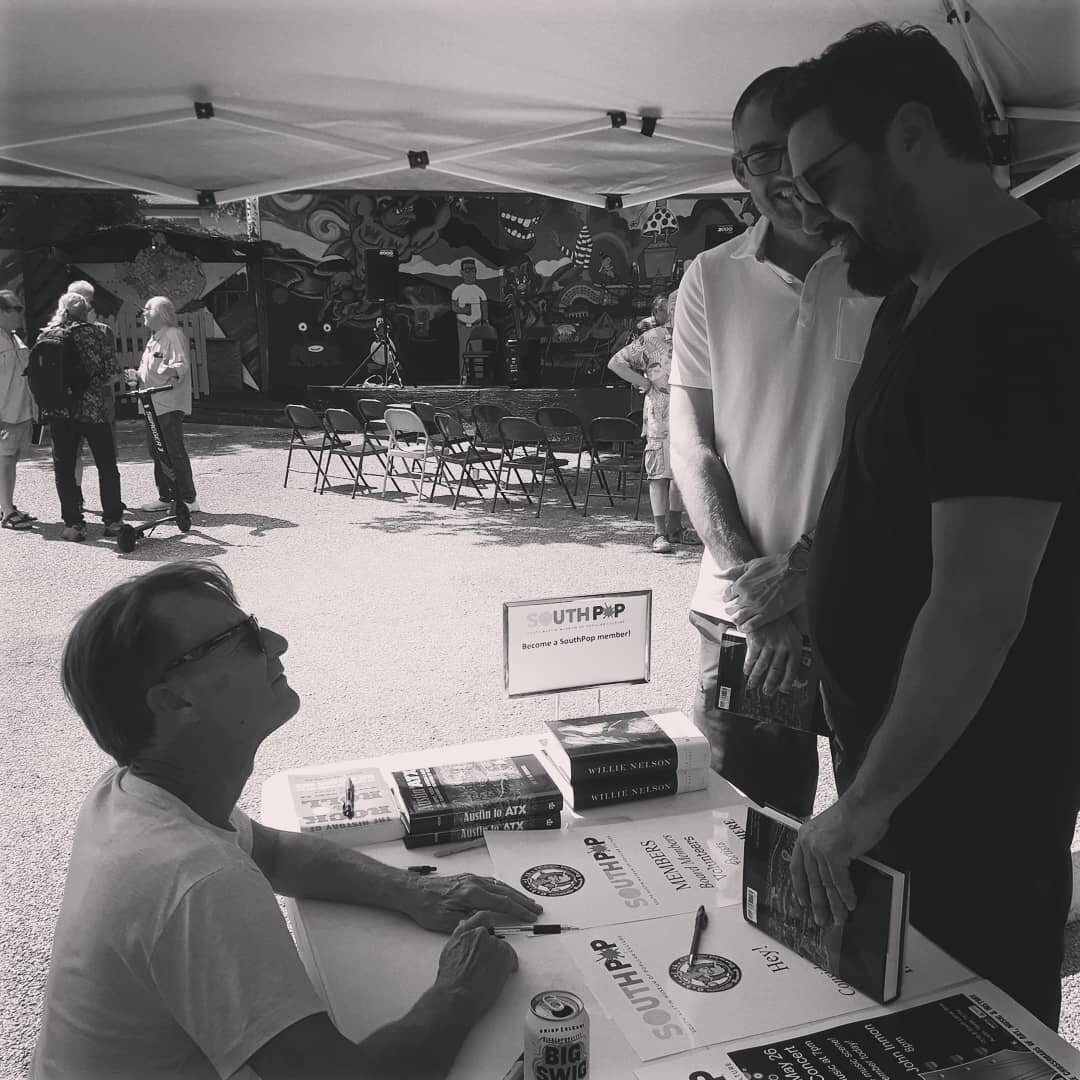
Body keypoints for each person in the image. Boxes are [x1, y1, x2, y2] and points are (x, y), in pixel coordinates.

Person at [777, 23, 1080, 1030]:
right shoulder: (921, 295)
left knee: (975, 1040)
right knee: (901, 1026)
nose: (812, 212)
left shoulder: (1018, 312)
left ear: (911, 135)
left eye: (825, 178)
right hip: (906, 779)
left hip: (973, 802)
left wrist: (866, 803)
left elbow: (981, 599)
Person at [31, 561, 540, 1080]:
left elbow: (272, 853)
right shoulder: (197, 879)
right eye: (243, 637)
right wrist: (458, 991)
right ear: (176, 700)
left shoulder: (134, 794)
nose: (276, 641)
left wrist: (412, 891)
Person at [669, 68, 881, 816]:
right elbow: (690, 444)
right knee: (744, 838)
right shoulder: (709, 276)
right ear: (738, 171)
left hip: (870, 604)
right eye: (766, 156)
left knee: (880, 834)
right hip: (742, 612)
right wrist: (759, 591)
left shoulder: (893, 271)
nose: (790, 175)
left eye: (807, 154)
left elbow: (903, 452)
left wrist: (806, 572)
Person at [608, 290, 698, 553]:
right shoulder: (652, 338)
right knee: (659, 472)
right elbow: (616, 362)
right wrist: (645, 383)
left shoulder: (697, 337)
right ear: (671, 310)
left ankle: (675, 528)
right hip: (662, 412)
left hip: (688, 411)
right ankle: (660, 532)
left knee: (683, 472)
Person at [37, 292, 125, 542]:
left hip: (59, 411)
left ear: (61, 310)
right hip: (93, 410)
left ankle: (73, 524)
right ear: (86, 311)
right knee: (106, 465)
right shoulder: (96, 333)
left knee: (64, 468)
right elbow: (112, 373)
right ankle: (113, 521)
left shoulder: (46, 335)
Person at [129, 295, 199, 514]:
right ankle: (166, 496)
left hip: (168, 404)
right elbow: (148, 369)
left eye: (148, 309)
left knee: (172, 450)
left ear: (162, 314)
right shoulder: (154, 339)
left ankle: (188, 498)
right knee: (156, 451)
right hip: (151, 405)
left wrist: (164, 370)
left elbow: (180, 367)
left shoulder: (173, 335)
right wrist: (136, 375)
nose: (144, 314)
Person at [65, 279, 121, 515]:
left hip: (68, 405)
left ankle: (75, 502)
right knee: (107, 459)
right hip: (99, 403)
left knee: (72, 456)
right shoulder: (102, 331)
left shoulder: (56, 332)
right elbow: (113, 373)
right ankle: (112, 510)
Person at [0, 290, 36, 530]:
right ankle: (8, 512)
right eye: (17, 309)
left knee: (11, 459)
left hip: (19, 411)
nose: (21, 313)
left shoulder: (14, 337)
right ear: (2, 312)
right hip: (4, 413)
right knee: (4, 460)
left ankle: (7, 506)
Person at [451, 259, 488, 383]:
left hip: (477, 326)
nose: (471, 273)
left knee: (478, 352)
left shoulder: (480, 291)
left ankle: (479, 378)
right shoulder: (458, 290)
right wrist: (464, 310)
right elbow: (454, 307)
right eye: (467, 270)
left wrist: (485, 322)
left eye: (473, 270)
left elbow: (484, 308)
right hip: (463, 326)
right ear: (462, 272)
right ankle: (463, 377)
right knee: (463, 352)